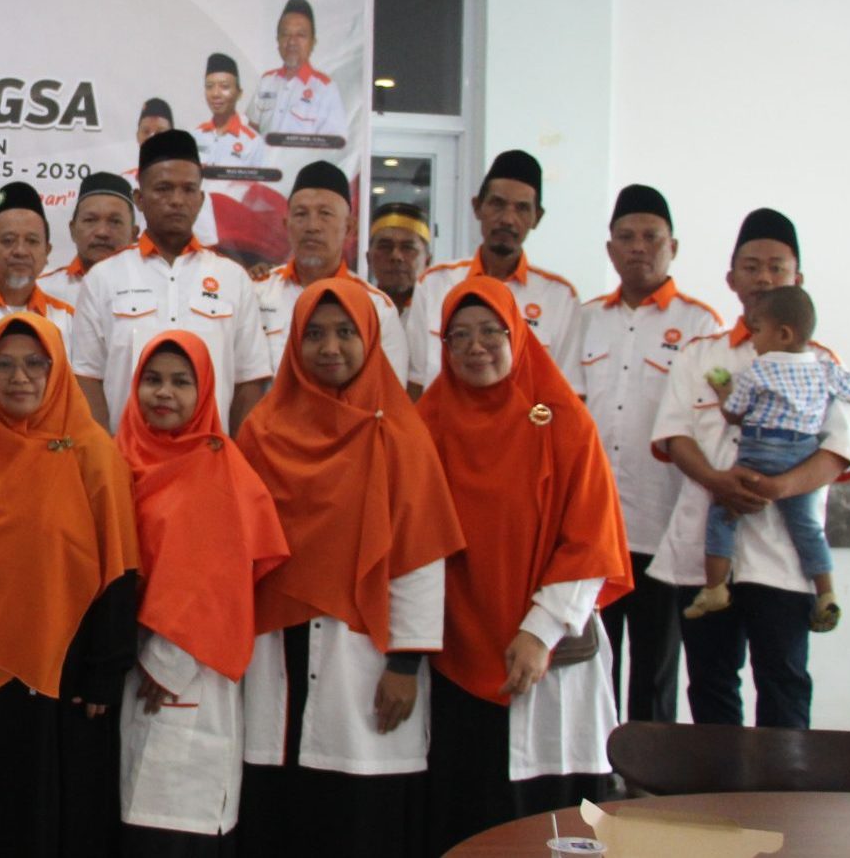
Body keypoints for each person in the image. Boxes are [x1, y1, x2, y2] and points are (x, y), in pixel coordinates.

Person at [232, 280, 463, 858]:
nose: (329, 347)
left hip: (362, 653)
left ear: (371, 340)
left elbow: (420, 555)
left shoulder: (400, 435)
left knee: (356, 811)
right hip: (274, 646)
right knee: (279, 800)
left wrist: (406, 664)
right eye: (313, 333)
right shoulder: (261, 431)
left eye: (345, 332)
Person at [418, 277, 632, 851]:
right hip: (455, 651)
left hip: (549, 654)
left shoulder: (563, 421)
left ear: (518, 336)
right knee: (468, 813)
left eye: (491, 331)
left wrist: (540, 631)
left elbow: (591, 538)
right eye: (459, 335)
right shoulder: (426, 424)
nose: (475, 347)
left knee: (550, 823)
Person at [648, 209, 850, 729]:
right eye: (751, 266)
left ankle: (782, 787)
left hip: (783, 558)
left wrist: (777, 487)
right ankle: (718, 787)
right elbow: (674, 434)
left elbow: (838, 453)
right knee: (711, 686)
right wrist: (717, 481)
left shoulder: (824, 364)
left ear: (797, 278)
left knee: (784, 684)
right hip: (705, 556)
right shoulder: (699, 355)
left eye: (776, 267)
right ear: (731, 278)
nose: (763, 278)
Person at [0, 314, 138, 858]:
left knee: (58, 808)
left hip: (69, 668)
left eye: (36, 363)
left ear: (59, 372)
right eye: (3, 365)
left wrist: (105, 672)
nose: (19, 377)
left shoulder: (91, 451)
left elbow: (120, 564)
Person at [115, 332, 290, 856]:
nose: (164, 393)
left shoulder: (220, 466)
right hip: (127, 665)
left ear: (206, 391)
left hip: (186, 669)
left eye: (181, 382)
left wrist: (168, 661)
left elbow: (223, 577)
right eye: (152, 379)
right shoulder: (118, 457)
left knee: (176, 823)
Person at [558, 184, 720, 722]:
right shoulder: (584, 319)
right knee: (592, 667)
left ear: (674, 247)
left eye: (651, 237)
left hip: (662, 527)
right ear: (610, 249)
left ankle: (650, 772)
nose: (638, 247)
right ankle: (597, 766)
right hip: (593, 528)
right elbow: (567, 413)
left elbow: (706, 425)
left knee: (655, 673)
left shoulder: (700, 326)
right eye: (626, 237)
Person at [69, 131, 271, 436]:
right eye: (163, 188)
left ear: (200, 200)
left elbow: (249, 380)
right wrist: (106, 458)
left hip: (210, 458)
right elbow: (87, 378)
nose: (176, 200)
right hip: (126, 460)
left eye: (188, 189)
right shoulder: (103, 278)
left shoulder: (233, 278)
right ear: (140, 199)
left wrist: (233, 457)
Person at [688, 286, 850, 631]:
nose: (753, 340)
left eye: (757, 331)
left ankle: (715, 588)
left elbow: (734, 414)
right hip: (801, 454)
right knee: (808, 527)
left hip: (761, 452)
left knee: (724, 511)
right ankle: (826, 593)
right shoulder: (825, 368)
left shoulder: (759, 369)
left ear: (783, 334)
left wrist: (723, 391)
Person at [405, 150, 578, 396]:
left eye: (522, 209)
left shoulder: (560, 298)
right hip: (444, 422)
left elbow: (564, 395)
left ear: (536, 218)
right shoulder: (435, 284)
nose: (507, 219)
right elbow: (415, 383)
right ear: (477, 207)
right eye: (498, 204)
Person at [255, 161, 406, 377]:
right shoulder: (256, 293)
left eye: (325, 214)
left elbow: (388, 390)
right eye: (301, 214)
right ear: (286, 225)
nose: (312, 226)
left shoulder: (377, 307)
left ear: (349, 228)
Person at [0, 182, 74, 369]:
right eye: (8, 240)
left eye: (32, 241)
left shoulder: (69, 320)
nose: (20, 251)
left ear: (47, 252)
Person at [247, 0, 347, 138]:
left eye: (300, 35)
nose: (292, 42)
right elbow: (250, 131)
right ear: (278, 40)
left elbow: (333, 144)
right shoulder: (266, 82)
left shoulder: (325, 89)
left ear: (313, 42)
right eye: (285, 34)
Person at [40, 172, 135, 295]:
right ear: (72, 230)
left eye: (114, 221)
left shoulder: (155, 287)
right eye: (90, 220)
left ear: (134, 234)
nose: (102, 232)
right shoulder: (42, 291)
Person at [193, 54, 265, 172]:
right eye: (209, 86)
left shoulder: (253, 142)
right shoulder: (196, 136)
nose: (215, 94)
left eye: (224, 86)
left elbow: (257, 183)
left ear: (239, 93)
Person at [364, 202, 432, 315]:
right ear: (368, 259)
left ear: (427, 261)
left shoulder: (439, 313)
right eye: (385, 247)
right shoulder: (356, 310)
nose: (396, 256)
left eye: (407, 248)